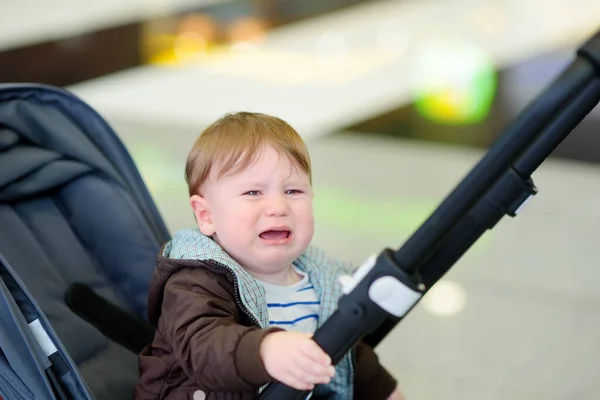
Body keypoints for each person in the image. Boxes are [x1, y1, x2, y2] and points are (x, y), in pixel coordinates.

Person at [134, 112, 405, 400]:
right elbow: (204, 347)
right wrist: (266, 350)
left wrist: (382, 388)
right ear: (206, 215)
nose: (278, 206)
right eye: (253, 192)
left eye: (293, 190)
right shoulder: (194, 281)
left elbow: (342, 351)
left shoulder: (323, 281)